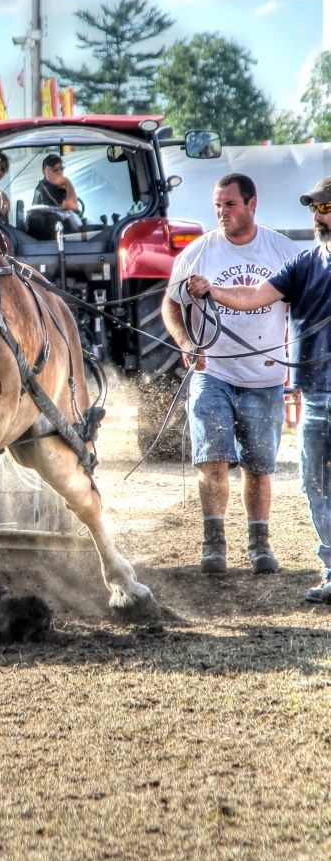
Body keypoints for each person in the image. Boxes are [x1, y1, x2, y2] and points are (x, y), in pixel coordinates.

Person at [187, 174, 331, 604]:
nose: (318, 216)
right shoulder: (305, 264)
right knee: (315, 485)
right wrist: (212, 289)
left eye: (326, 208)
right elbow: (253, 295)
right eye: (315, 208)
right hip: (317, 397)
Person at [162, 173, 300, 577]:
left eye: (230, 204)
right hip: (212, 370)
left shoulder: (282, 250)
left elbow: (302, 303)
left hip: (264, 376)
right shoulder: (198, 252)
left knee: (259, 468)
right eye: (217, 205)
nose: (222, 212)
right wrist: (186, 343)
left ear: (252, 204)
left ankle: (259, 544)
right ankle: (214, 543)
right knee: (213, 459)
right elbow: (171, 304)